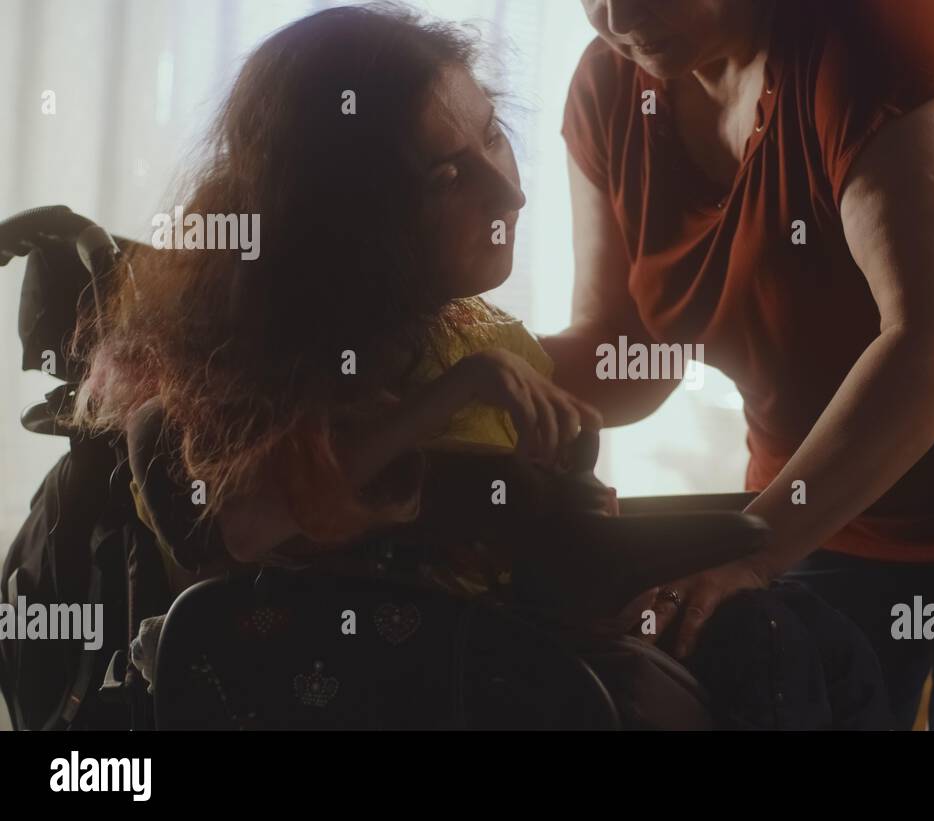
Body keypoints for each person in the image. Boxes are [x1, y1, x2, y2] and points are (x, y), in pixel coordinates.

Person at [72, 4, 890, 730]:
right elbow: (240, 526)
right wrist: (448, 399)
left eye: (493, 131)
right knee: (777, 655)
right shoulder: (272, 368)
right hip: (447, 660)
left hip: (530, 619)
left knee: (822, 641)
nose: (510, 193)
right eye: (449, 176)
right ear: (354, 218)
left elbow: (597, 393)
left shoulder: (470, 326)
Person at [545, 0, 934, 729]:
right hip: (827, 474)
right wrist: (460, 363)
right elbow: (623, 356)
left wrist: (753, 552)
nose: (617, 14)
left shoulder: (880, 34)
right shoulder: (609, 86)